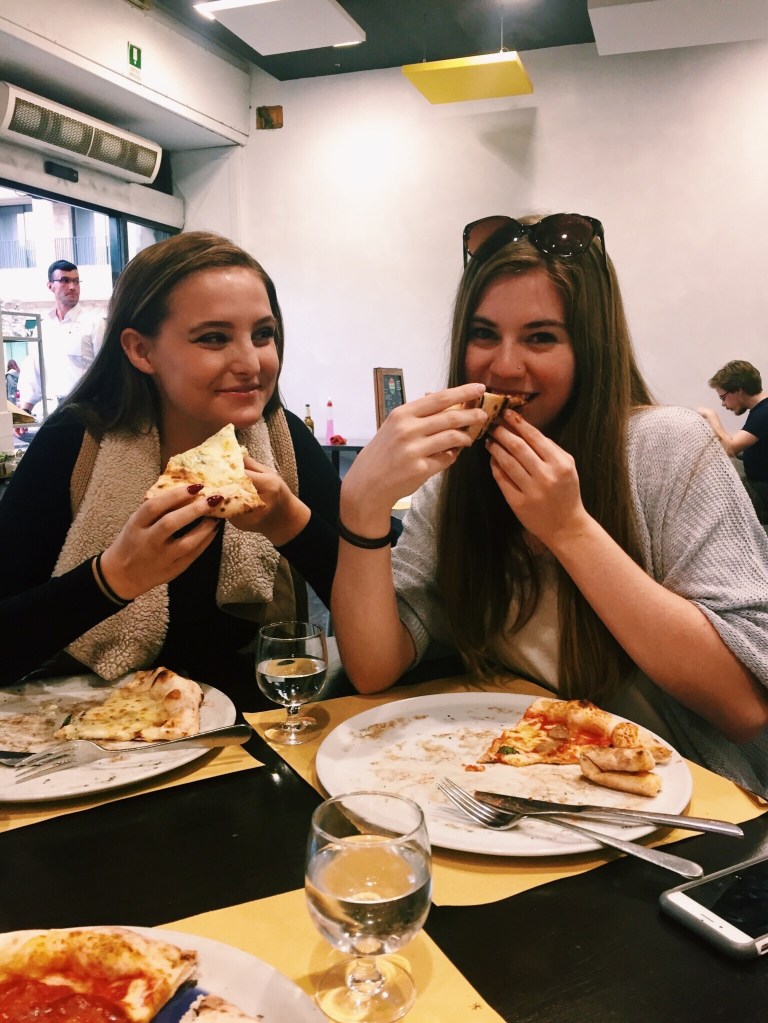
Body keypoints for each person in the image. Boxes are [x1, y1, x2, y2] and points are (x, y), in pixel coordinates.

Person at [331, 212, 768, 795]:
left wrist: (569, 529)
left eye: (541, 337)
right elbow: (373, 667)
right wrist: (361, 505)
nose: (504, 366)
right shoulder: (459, 473)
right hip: (525, 785)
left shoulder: (669, 446)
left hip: (681, 801)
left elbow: (744, 706)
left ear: (591, 348)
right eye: (484, 334)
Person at [0, 232, 341, 710]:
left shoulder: (284, 442)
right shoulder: (74, 444)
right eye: (214, 338)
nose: (251, 362)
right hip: (87, 729)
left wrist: (294, 526)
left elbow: (373, 612)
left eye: (263, 334)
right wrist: (111, 578)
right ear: (141, 350)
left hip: (243, 730)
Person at [16, 259, 105, 419]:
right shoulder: (42, 326)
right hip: (50, 413)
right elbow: (33, 373)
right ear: (50, 286)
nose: (72, 287)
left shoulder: (94, 323)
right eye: (65, 280)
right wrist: (25, 411)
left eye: (76, 281)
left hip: (85, 411)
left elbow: (107, 370)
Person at [698, 360, 768, 518]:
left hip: (762, 491)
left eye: (723, 397)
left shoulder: (764, 413)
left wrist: (711, 416)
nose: (723, 404)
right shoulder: (761, 410)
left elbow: (729, 447)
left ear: (738, 391)